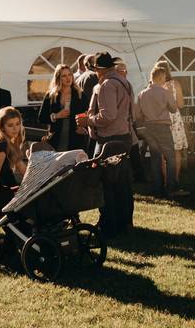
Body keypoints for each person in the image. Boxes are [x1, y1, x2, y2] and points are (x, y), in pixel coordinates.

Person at [76, 52, 135, 237]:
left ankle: (110, 224)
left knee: (108, 185)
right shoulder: (124, 82)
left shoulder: (107, 85)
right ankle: (125, 223)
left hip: (109, 140)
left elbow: (107, 116)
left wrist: (88, 121)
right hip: (123, 137)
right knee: (123, 185)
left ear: (100, 70)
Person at [135, 66, 186, 198]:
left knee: (155, 159)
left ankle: (158, 189)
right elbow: (174, 109)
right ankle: (172, 188)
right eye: (164, 78)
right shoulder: (165, 92)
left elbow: (138, 114)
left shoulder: (142, 94)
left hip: (149, 128)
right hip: (162, 126)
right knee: (170, 158)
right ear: (161, 77)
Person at [37, 64, 90, 152]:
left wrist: (83, 125)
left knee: (74, 163)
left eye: (69, 75)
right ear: (58, 78)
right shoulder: (51, 96)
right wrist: (56, 116)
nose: (68, 78)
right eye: (64, 76)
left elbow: (89, 113)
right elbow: (41, 118)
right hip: (56, 137)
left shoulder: (80, 94)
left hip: (76, 138)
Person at [156, 62, 188, 182]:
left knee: (164, 152)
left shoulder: (154, 86)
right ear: (168, 70)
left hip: (160, 119)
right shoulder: (175, 84)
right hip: (174, 119)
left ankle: (165, 181)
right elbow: (181, 104)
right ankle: (175, 179)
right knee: (176, 151)